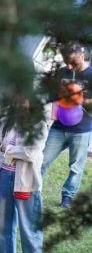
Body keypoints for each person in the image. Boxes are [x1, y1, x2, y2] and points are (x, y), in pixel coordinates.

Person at [0, 114, 48, 253]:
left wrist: (6, 149)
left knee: (29, 225)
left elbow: (30, 152)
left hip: (26, 180)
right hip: (4, 176)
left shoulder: (39, 125)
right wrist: (13, 153)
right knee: (3, 224)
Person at [41, 43, 92, 208]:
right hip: (58, 127)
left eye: (73, 60)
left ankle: (67, 197)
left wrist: (81, 99)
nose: (70, 64)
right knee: (42, 160)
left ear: (82, 55)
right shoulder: (63, 72)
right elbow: (52, 95)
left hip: (81, 129)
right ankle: (32, 189)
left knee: (76, 167)